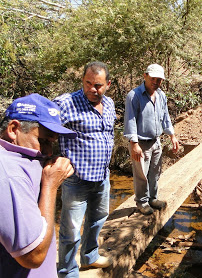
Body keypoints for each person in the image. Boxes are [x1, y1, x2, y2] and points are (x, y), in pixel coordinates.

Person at [0, 93, 76, 277]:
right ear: (13, 129)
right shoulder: (10, 173)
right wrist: (50, 186)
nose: (48, 152)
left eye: (52, 143)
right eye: (42, 141)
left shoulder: (21, 159)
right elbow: (33, 256)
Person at [54, 61, 116, 277]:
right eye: (88, 83)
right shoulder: (65, 103)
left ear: (108, 84)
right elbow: (42, 127)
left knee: (97, 220)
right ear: (82, 81)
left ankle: (89, 257)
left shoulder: (109, 104)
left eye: (98, 85)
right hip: (76, 180)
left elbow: (108, 135)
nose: (92, 89)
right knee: (71, 230)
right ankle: (67, 271)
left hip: (102, 177)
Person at [124, 63, 179, 215]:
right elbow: (130, 120)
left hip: (156, 141)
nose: (156, 82)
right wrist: (134, 144)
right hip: (140, 143)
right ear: (145, 76)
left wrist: (172, 136)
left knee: (155, 172)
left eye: (159, 80)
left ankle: (152, 198)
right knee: (141, 174)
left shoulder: (161, 95)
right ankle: (142, 202)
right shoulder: (134, 96)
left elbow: (165, 117)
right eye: (153, 78)